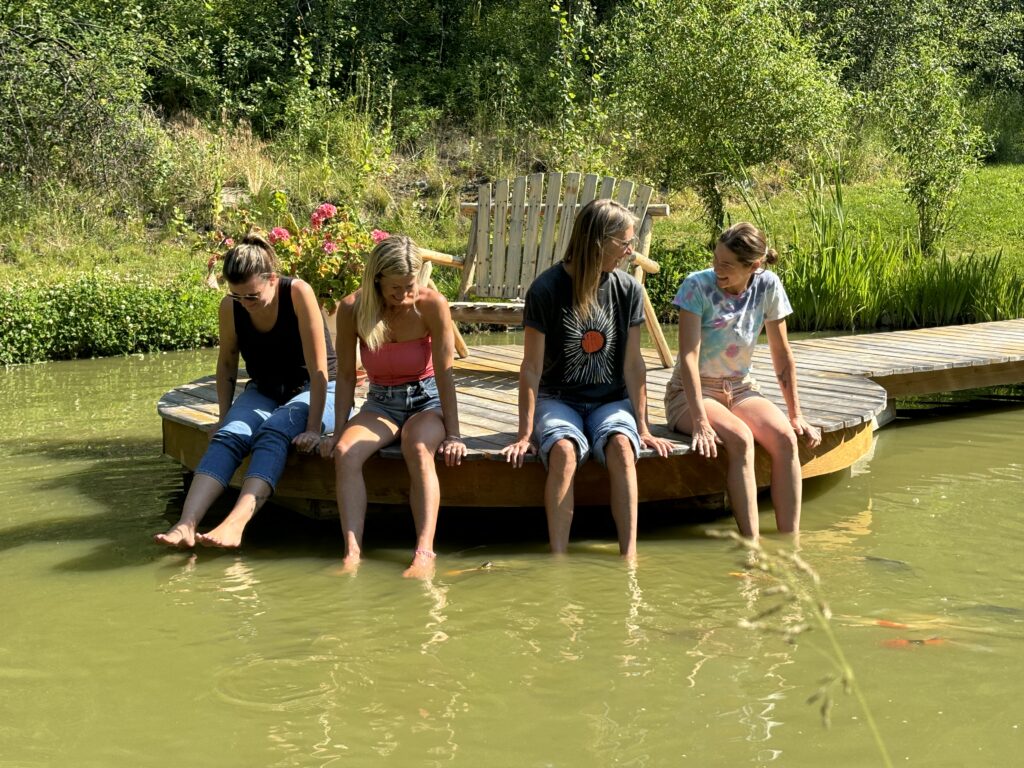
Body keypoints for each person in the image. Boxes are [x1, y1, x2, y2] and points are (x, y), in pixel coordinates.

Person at [501, 198, 673, 558]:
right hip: (557, 399)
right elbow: (530, 368)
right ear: (598, 242)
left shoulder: (628, 290)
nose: (630, 252)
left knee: (624, 449)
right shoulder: (546, 290)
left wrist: (643, 426)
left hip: (610, 401)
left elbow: (633, 365)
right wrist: (523, 433)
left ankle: (629, 557)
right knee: (563, 451)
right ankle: (559, 558)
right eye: (624, 243)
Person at [154, 234, 336, 549]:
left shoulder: (297, 293)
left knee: (274, 431)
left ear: (272, 279)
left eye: (251, 296)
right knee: (231, 435)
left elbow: (319, 368)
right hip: (266, 389)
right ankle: (186, 524)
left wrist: (312, 428)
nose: (245, 304)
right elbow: (226, 363)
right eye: (237, 296)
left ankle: (236, 524)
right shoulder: (232, 306)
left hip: (318, 390)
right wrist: (224, 418)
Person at [321, 235, 465, 578]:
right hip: (381, 402)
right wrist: (339, 428)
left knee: (416, 446)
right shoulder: (353, 308)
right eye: (395, 288)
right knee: (345, 451)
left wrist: (455, 433)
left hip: (426, 400)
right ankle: (352, 552)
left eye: (409, 285)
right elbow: (343, 376)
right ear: (377, 280)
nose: (403, 295)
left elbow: (445, 372)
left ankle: (424, 552)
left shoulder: (432, 304)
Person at [665, 222, 821, 538]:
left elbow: (781, 354)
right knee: (739, 438)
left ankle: (790, 542)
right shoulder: (696, 287)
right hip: (691, 393)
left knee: (786, 438)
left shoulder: (768, 286)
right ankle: (752, 547)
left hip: (741, 388)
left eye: (726, 265)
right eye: (715, 259)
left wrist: (796, 414)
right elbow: (689, 359)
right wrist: (699, 422)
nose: (716, 268)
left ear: (754, 266)